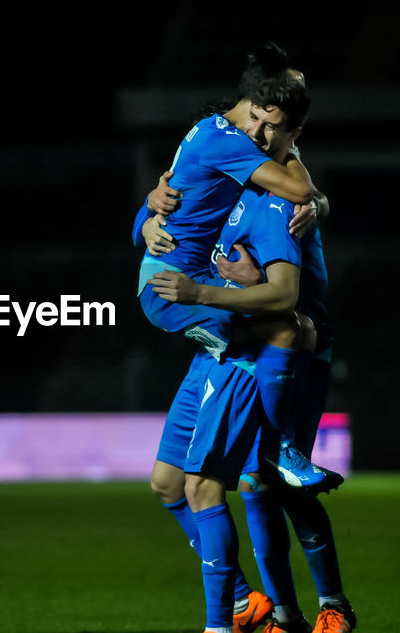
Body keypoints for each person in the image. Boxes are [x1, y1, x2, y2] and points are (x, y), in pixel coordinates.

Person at [148, 179, 357, 633]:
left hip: (288, 349)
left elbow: (286, 298)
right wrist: (148, 212)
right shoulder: (212, 186)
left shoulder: (280, 184)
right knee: (187, 482)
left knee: (274, 480)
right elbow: (155, 217)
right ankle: (274, 613)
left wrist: (318, 203)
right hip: (226, 345)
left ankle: (332, 606)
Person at [136, 44, 339, 491]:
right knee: (291, 330)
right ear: (257, 96)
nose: (264, 128)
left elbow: (179, 193)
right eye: (285, 90)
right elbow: (297, 190)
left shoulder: (225, 137)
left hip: (187, 278)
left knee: (172, 485)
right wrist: (314, 195)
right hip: (175, 286)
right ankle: (278, 447)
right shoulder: (233, 144)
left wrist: (146, 217)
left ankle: (268, 453)